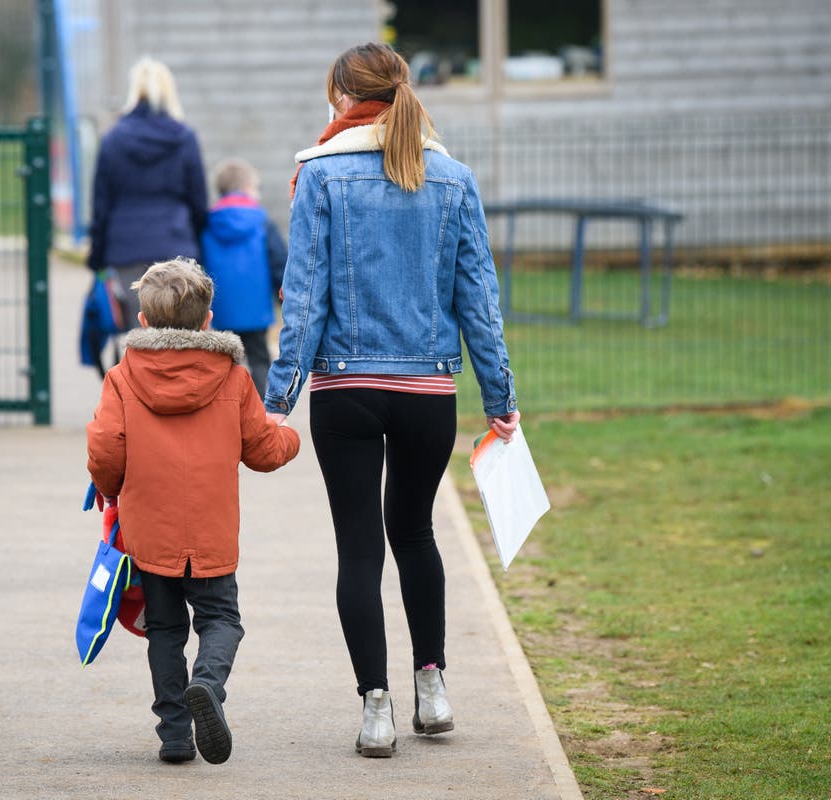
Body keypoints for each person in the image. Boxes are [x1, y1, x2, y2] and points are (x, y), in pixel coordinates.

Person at [263, 42, 521, 758]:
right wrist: (500, 397)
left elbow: (305, 299)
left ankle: (376, 709)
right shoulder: (454, 177)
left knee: (359, 549)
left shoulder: (316, 176)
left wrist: (276, 397)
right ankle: (432, 689)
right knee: (415, 533)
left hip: (344, 390)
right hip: (427, 392)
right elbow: (479, 302)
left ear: (342, 96)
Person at [85, 258, 300, 765]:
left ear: (142, 323)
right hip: (212, 530)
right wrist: (290, 437)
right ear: (207, 322)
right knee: (222, 618)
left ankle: (176, 734)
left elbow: (105, 450)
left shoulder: (120, 378)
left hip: (149, 532)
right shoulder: (231, 376)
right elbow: (264, 450)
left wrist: (110, 488)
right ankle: (207, 683)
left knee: (163, 630)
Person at [86, 58, 208, 333]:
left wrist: (97, 256)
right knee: (184, 333)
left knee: (139, 333)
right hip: (176, 245)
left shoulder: (113, 139)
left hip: (126, 248)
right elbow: (198, 200)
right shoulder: (184, 137)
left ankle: (137, 378)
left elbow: (100, 204)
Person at [200, 159, 288, 395]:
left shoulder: (207, 223)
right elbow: (279, 261)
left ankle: (227, 410)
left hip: (221, 310)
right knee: (260, 360)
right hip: (256, 310)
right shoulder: (261, 221)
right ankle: (260, 411)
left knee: (225, 363)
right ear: (248, 186)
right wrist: (285, 300)